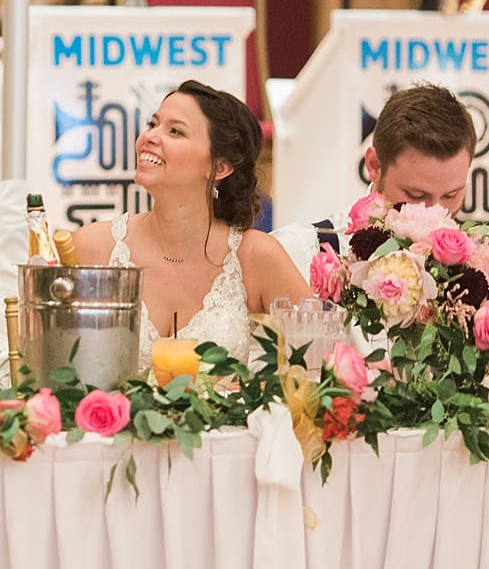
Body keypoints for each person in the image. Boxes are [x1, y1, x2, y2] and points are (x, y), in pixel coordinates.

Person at [73, 80, 312, 368]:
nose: (149, 137)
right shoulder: (91, 248)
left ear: (218, 167)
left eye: (175, 131)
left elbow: (322, 362)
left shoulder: (255, 256)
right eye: (153, 124)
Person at [272, 82, 477, 271]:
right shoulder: (294, 253)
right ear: (374, 165)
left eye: (451, 195)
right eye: (416, 195)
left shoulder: (484, 268)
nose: (435, 213)